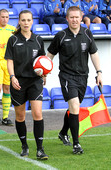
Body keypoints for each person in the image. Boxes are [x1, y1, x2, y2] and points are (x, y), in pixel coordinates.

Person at [47, 6, 103, 154]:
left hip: (83, 76)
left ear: (81, 18)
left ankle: (63, 132)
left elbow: (94, 54)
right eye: (71, 17)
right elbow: (49, 56)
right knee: (74, 105)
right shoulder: (61, 36)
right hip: (67, 76)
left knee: (74, 108)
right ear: (67, 19)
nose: (74, 20)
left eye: (77, 17)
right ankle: (76, 144)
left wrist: (99, 72)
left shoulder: (87, 33)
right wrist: (44, 72)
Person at [5, 10, 49, 160]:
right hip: (18, 82)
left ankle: (40, 149)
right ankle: (24, 145)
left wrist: (44, 74)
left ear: (32, 21)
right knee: (20, 116)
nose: (25, 23)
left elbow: (42, 60)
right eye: (23, 20)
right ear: (19, 21)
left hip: (34, 81)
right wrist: (12, 77)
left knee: (37, 114)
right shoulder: (13, 40)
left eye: (28, 20)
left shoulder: (38, 39)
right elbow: (9, 61)